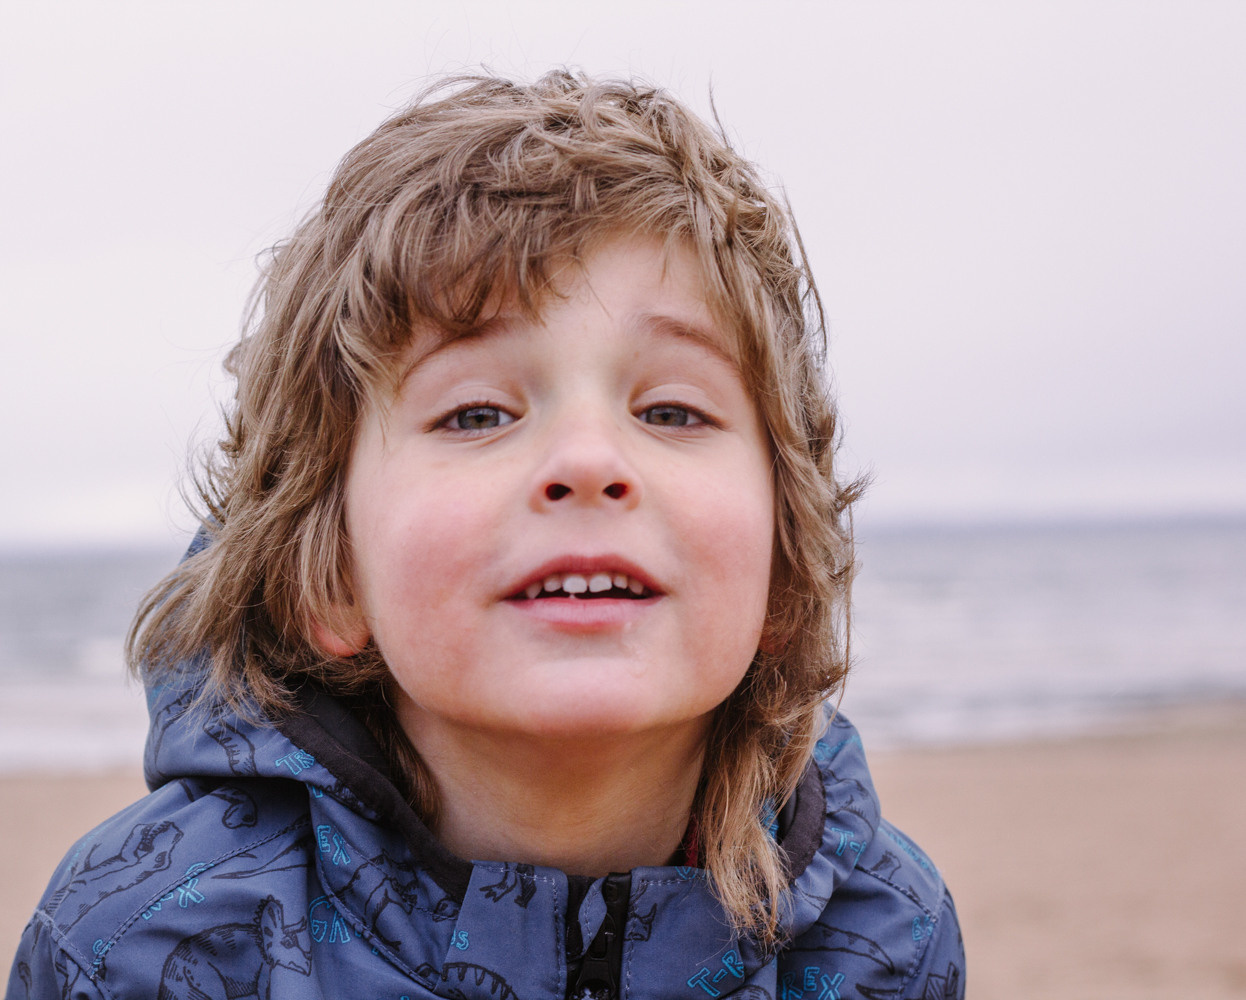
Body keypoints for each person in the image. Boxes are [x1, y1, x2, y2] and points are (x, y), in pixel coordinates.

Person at [7, 71, 964, 1000]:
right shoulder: (140, 944)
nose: (589, 460)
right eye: (475, 414)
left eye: (671, 411)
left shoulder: (889, 936)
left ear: (786, 578)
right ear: (327, 576)